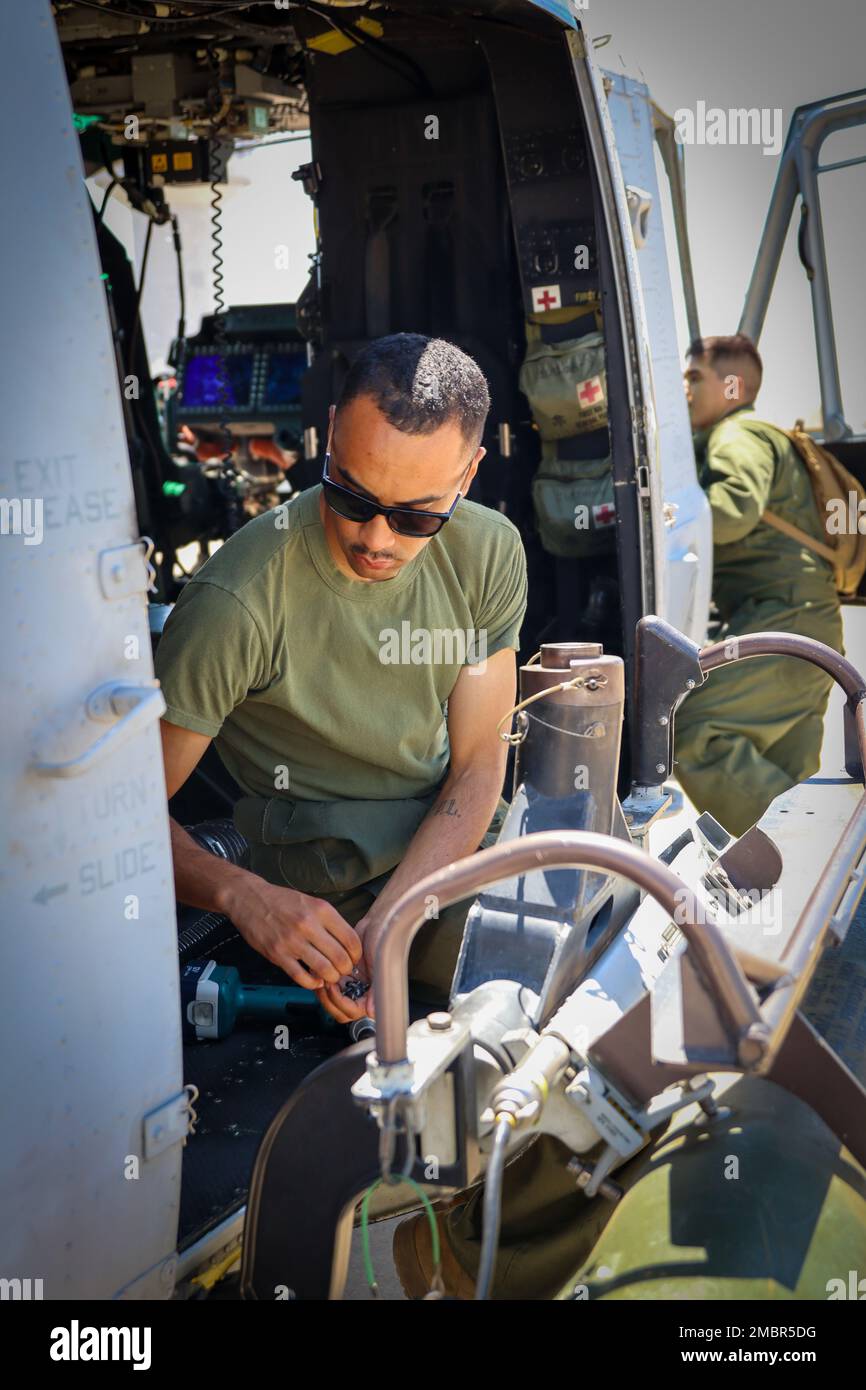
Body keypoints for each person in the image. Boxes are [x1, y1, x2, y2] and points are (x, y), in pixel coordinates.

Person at [155, 333, 527, 1023]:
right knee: (532, 975)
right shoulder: (239, 600)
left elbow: (478, 766)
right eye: (352, 496)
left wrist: (394, 922)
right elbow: (121, 822)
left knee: (634, 916)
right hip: (328, 886)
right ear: (329, 434)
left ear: (469, 476)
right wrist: (241, 896)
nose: (378, 539)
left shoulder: (487, 552)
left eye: (418, 515)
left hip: (453, 847)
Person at [674, 333, 844, 837]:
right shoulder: (762, 435)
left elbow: (731, 512)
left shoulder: (737, 435)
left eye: (694, 377)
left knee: (686, 727)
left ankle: (796, 842)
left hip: (782, 622)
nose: (684, 388)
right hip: (807, 627)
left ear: (734, 385)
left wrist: (659, 514)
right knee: (788, 773)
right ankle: (816, 882)